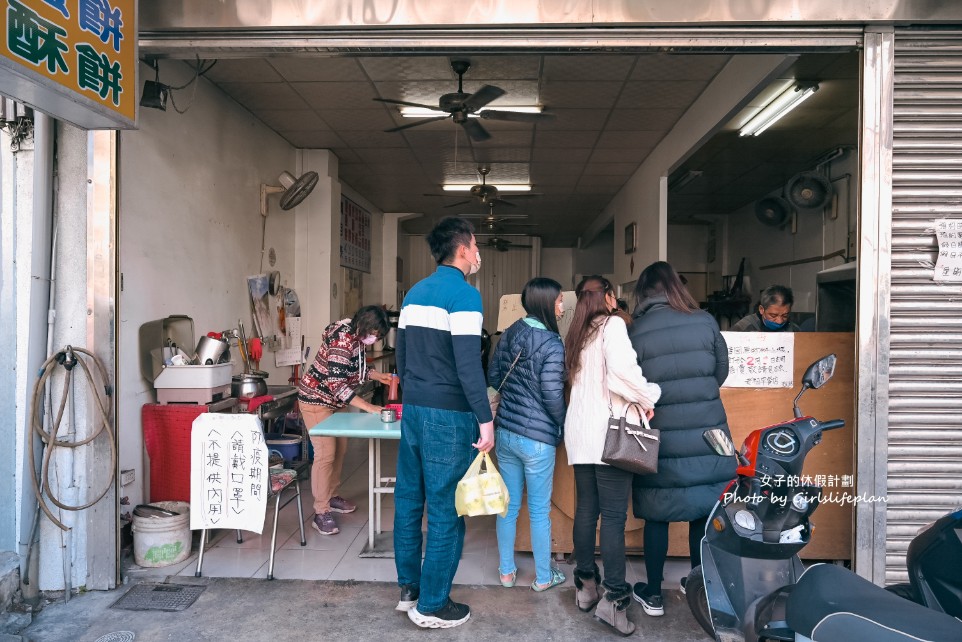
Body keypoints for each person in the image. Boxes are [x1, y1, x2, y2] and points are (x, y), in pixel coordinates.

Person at [393, 217, 495, 629]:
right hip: (449, 415)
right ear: (464, 248)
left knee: (408, 501)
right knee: (445, 509)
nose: (478, 254)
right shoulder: (465, 296)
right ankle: (433, 605)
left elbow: (400, 356)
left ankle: (410, 591)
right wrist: (485, 420)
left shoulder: (415, 293)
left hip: (414, 410)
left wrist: (414, 395)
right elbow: (470, 367)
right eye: (475, 246)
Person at [627, 261, 736, 616]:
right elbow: (721, 371)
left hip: (661, 432)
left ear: (643, 292)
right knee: (702, 511)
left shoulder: (636, 331)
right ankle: (700, 593)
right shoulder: (704, 321)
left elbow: (633, 384)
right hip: (709, 433)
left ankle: (654, 594)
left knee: (658, 513)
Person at [564, 275, 661, 636]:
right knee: (615, 518)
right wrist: (650, 395)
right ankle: (615, 600)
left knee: (587, 511)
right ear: (608, 297)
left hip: (580, 435)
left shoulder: (577, 332)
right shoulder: (613, 326)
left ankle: (586, 587)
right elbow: (624, 376)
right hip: (610, 435)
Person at [488, 277, 567, 593]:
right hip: (537, 441)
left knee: (507, 507)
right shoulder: (551, 343)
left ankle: (506, 572)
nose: (562, 307)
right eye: (560, 300)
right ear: (548, 303)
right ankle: (544, 577)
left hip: (506, 432)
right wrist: (561, 424)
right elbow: (552, 394)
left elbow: (494, 376)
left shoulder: (511, 331)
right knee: (538, 511)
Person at [297, 305, 392, 536]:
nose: (375, 339)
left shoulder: (356, 337)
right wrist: (369, 407)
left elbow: (356, 368)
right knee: (325, 453)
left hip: (333, 403)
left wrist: (379, 375)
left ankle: (331, 497)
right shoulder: (342, 340)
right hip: (316, 400)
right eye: (375, 334)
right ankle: (320, 512)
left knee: (340, 449)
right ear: (364, 326)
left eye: (379, 337)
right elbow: (337, 385)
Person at [730, 284, 800, 332]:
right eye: (773, 315)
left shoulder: (794, 330)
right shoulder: (743, 328)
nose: (780, 321)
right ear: (761, 310)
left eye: (785, 315)